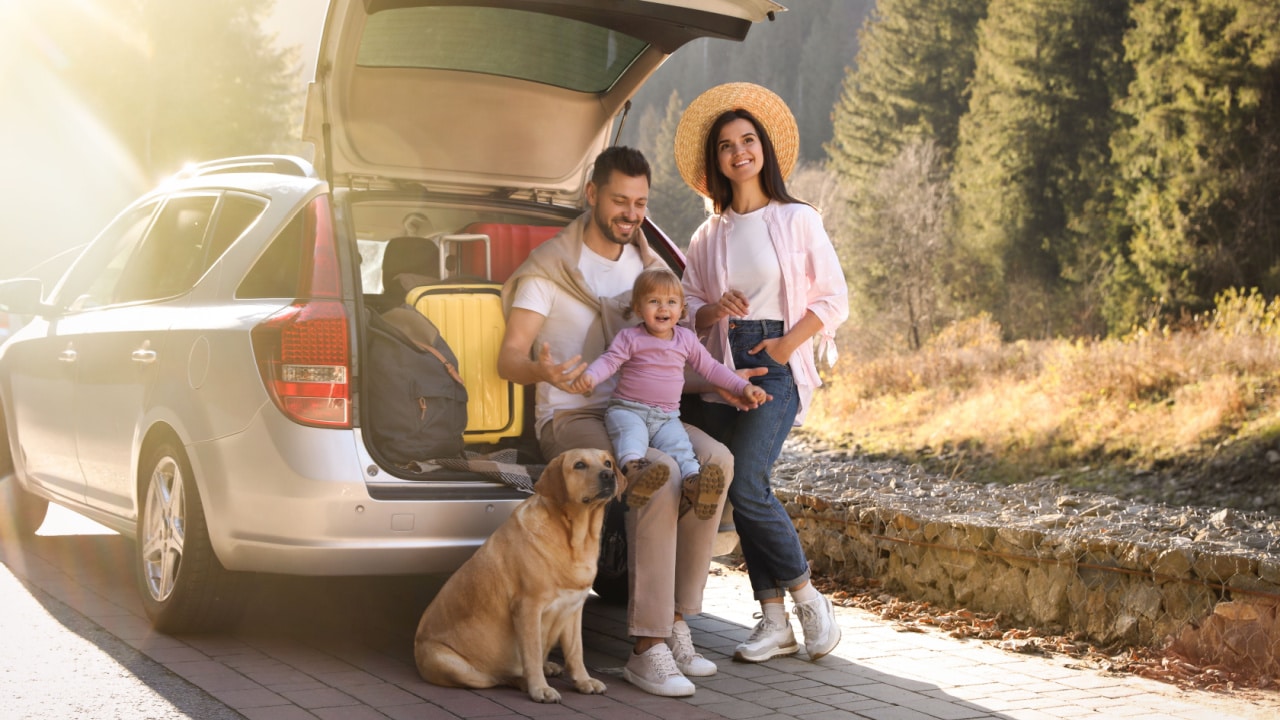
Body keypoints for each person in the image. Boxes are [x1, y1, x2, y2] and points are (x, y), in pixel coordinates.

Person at [498, 146, 760, 697]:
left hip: (644, 410)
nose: (631, 213)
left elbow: (663, 364)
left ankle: (678, 620)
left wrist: (723, 386)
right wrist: (543, 370)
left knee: (716, 459)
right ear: (592, 194)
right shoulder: (549, 269)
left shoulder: (647, 272)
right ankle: (646, 647)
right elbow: (509, 358)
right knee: (658, 475)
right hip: (573, 416)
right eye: (620, 200)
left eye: (640, 203)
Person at [673, 83, 851, 663]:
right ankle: (772, 619)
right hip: (722, 367)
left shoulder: (798, 219)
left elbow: (832, 300)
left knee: (747, 484)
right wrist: (712, 311)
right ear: (716, 162)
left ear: (764, 151)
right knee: (740, 488)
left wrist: (780, 350)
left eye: (748, 140)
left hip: (774, 364)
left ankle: (808, 600)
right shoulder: (708, 234)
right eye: (726, 145)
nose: (738, 151)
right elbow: (688, 309)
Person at [568, 267, 768, 520]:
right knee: (631, 439)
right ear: (639, 309)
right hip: (628, 410)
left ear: (682, 309)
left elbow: (712, 368)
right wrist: (590, 377)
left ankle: (694, 485)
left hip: (667, 417)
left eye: (671, 302)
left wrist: (743, 387)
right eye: (654, 302)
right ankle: (636, 475)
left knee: (682, 449)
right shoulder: (630, 337)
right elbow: (609, 361)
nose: (663, 308)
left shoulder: (685, 339)